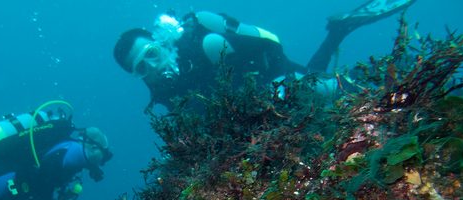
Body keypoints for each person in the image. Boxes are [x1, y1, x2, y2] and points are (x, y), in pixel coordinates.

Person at [113, 0, 417, 110]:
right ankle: (337, 32)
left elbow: (270, 43)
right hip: (254, 115)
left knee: (324, 90)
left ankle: (394, 94)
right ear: (137, 74)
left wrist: (276, 86)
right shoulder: (162, 92)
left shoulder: (203, 42)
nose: (153, 65)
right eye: (142, 67)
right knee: (312, 81)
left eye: (152, 53)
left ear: (160, 42)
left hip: (274, 76)